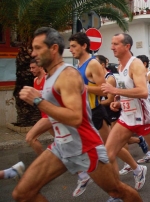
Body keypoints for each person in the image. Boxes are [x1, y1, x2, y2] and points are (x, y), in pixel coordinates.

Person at [14, 27, 142, 202]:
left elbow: (76, 117)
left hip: (85, 147)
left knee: (117, 190)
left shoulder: (68, 75)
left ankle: (137, 169)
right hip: (62, 145)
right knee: (23, 193)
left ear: (52, 49)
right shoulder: (51, 76)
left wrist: (38, 101)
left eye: (38, 48)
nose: (33, 53)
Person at [100, 34, 150, 187]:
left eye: (115, 44)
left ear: (127, 46)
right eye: (112, 44)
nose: (111, 47)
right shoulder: (119, 67)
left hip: (143, 118)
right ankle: (124, 185)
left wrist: (114, 90)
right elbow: (127, 92)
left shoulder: (135, 64)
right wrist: (119, 102)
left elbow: (142, 92)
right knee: (107, 155)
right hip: (126, 117)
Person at [69, 32, 113, 196]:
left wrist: (84, 88)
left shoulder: (92, 64)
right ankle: (83, 174)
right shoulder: (79, 65)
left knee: (110, 151)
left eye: (74, 46)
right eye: (70, 46)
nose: (71, 49)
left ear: (84, 46)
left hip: (96, 112)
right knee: (80, 146)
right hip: (85, 114)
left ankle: (125, 182)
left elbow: (104, 89)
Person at [25, 59, 53, 156]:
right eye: (30, 68)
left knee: (30, 138)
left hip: (50, 115)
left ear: (41, 67)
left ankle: (43, 163)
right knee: (62, 141)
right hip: (44, 115)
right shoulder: (35, 80)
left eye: (33, 67)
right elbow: (36, 99)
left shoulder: (48, 79)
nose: (31, 70)